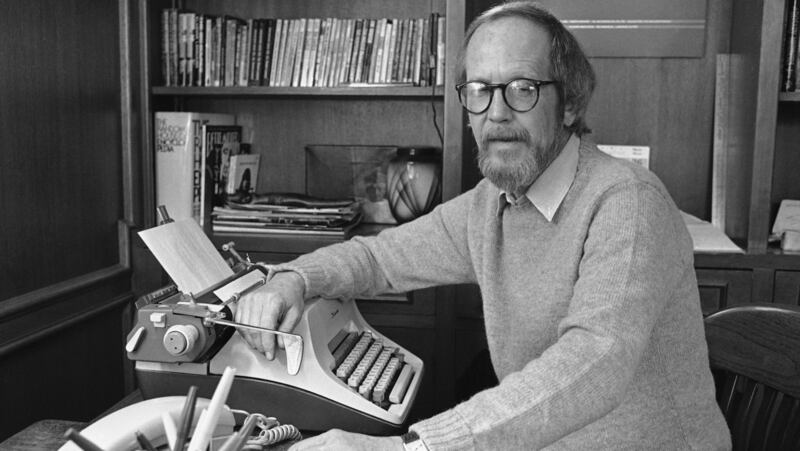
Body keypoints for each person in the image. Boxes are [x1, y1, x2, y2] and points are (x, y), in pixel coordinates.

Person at [236, 2, 732, 449]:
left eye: (522, 89)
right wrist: (294, 279)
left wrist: (411, 449)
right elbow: (377, 259)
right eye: (479, 90)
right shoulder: (489, 204)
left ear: (572, 104)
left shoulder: (628, 200)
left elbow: (596, 361)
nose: (495, 113)